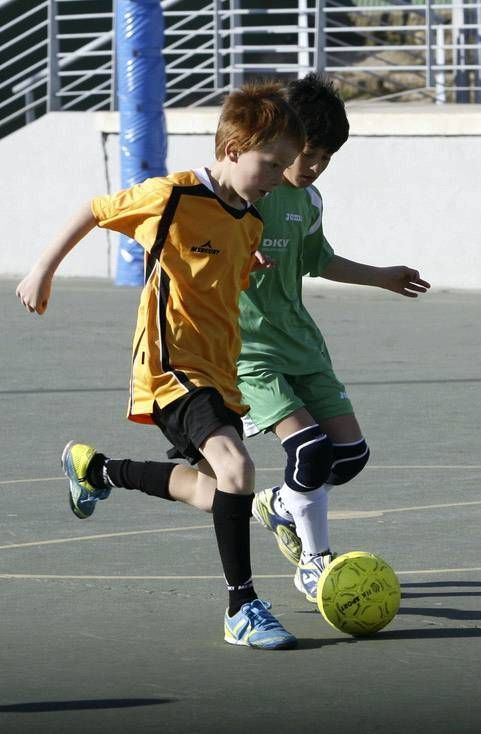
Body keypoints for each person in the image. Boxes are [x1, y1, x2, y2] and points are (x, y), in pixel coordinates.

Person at [15, 81, 305, 650]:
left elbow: (224, 273)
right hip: (172, 366)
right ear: (232, 149)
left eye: (285, 166)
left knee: (212, 492)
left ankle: (95, 470)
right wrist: (41, 270)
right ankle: (241, 607)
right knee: (238, 471)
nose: (279, 177)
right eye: (272, 164)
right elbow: (94, 211)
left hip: (221, 371)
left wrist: (253, 252)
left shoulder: (250, 222)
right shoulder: (172, 196)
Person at [237, 73, 431, 603]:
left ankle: (279, 504)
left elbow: (318, 258)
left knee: (350, 456)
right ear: (282, 139)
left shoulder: (310, 199)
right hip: (249, 351)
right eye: (310, 152)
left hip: (301, 344)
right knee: (309, 448)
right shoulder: (246, 192)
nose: (317, 165)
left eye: (327, 157)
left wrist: (382, 276)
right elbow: (191, 248)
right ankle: (315, 562)